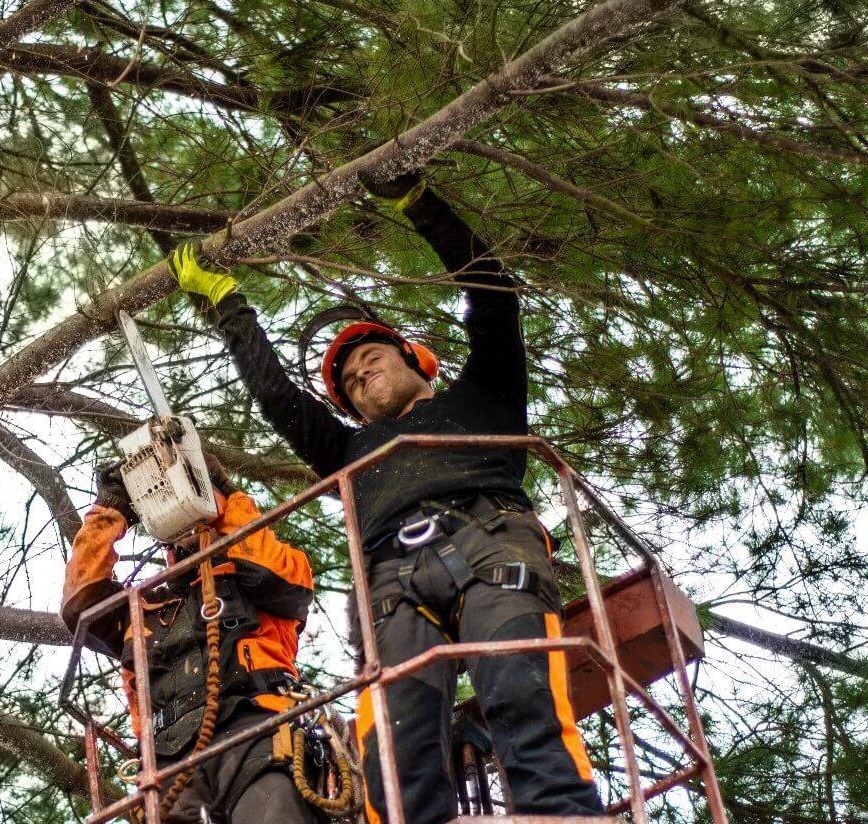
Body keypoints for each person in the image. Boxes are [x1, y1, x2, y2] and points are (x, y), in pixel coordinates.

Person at [167, 169, 602, 821]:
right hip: (395, 583)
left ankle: (567, 815)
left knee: (521, 689)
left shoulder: (487, 394)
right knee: (393, 751)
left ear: (416, 358)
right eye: (347, 380)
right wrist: (227, 300)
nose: (358, 371)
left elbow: (492, 294)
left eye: (370, 354)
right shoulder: (347, 451)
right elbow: (278, 397)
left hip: (493, 547)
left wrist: (420, 203)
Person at [62, 461, 327, 823]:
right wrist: (111, 510)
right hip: (167, 758)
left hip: (256, 729)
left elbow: (270, 572)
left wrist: (227, 495)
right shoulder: (141, 609)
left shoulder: (259, 574)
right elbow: (81, 605)